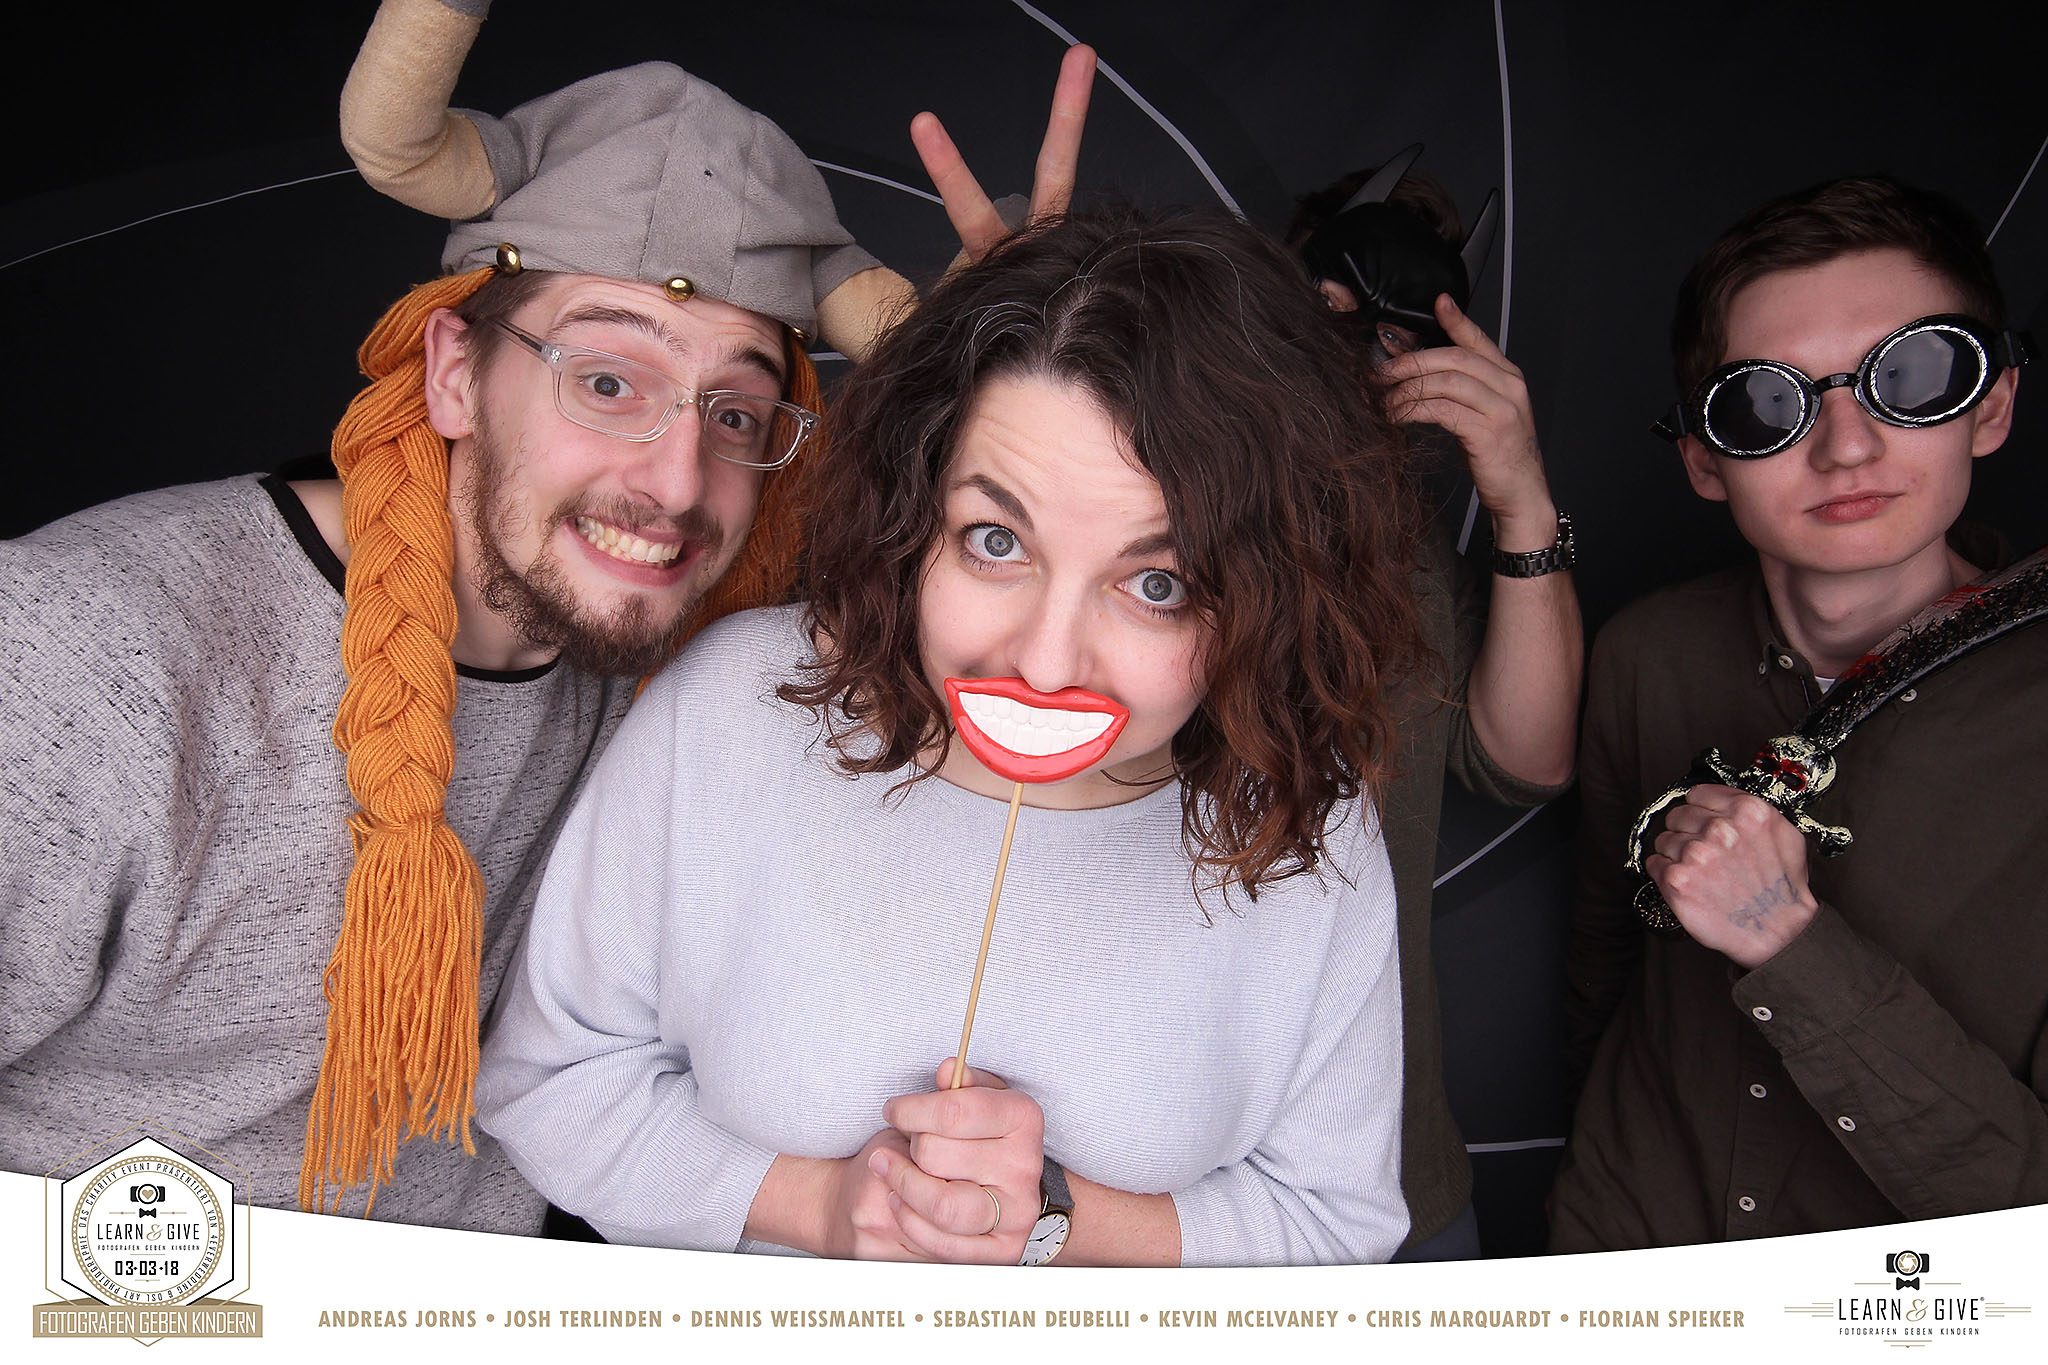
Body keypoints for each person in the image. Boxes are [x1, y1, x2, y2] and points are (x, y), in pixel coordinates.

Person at [0, 0, 927, 1230]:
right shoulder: (78, 658)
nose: (673, 483)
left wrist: (1031, 352)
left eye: (734, 413)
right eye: (609, 380)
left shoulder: (693, 675)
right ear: (450, 372)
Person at [477, 207, 1432, 1266]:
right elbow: (549, 1083)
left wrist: (1051, 1221)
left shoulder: (1302, 811)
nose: (1046, 664)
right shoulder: (734, 704)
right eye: (994, 540)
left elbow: (1335, 1222)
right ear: (913, 509)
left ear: (1266, 596)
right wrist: (824, 1207)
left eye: (1157, 584)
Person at [1551, 174, 2042, 1250]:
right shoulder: (1647, 656)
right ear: (1702, 458)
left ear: (1993, 405)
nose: (1845, 446)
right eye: (1767, 404)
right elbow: (1604, 979)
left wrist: (1787, 939)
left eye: (1913, 376)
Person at [1287, 150, 1582, 1258]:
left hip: (1393, 1162)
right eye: (1329, 310)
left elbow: (1526, 760)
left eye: (1395, 333)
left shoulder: (1404, 555)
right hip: (1161, 1163)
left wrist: (1521, 499)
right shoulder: (1120, 514)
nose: (1359, 353)